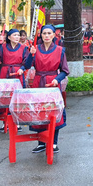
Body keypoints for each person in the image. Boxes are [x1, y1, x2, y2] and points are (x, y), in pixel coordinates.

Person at [25, 25, 69, 154]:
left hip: (53, 84)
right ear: (41, 35)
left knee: (53, 112)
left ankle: (54, 142)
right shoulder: (35, 49)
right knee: (39, 111)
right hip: (38, 82)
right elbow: (27, 65)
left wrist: (57, 79)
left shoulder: (60, 50)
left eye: (49, 33)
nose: (46, 36)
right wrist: (31, 55)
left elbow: (65, 70)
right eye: (44, 33)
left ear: (54, 35)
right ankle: (41, 143)